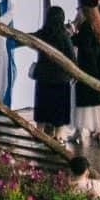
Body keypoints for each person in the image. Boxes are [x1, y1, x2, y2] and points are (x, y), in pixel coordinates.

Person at [71, 1, 100, 153]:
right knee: (99, 103)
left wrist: (72, 36)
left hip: (88, 68)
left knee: (83, 102)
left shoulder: (85, 27)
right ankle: (99, 131)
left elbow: (85, 46)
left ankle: (80, 131)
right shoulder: (99, 25)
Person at [32, 7, 76, 137]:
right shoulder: (64, 37)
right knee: (59, 116)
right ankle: (58, 139)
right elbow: (72, 59)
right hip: (60, 81)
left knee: (42, 115)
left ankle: (39, 137)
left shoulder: (42, 34)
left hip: (43, 79)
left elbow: (29, 39)